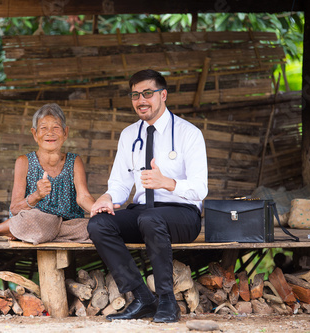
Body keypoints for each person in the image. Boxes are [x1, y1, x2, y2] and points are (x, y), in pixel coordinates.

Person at [87, 69, 208, 323]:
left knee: (151, 219)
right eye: (135, 95)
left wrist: (168, 183)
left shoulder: (189, 133)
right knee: (99, 224)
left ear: (163, 95)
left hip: (182, 215)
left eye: (147, 93)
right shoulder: (129, 135)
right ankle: (142, 297)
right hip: (144, 214)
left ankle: (167, 301)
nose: (141, 100)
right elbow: (120, 184)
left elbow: (200, 188)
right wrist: (107, 198)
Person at [0, 103, 95, 244]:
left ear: (65, 133)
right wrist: (37, 195)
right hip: (36, 220)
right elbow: (15, 208)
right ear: (35, 134)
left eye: (56, 127)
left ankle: (23, 232)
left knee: (95, 228)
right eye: (43, 128)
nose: (50, 133)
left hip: (68, 225)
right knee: (36, 220)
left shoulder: (74, 161)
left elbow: (83, 197)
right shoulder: (24, 161)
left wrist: (100, 211)